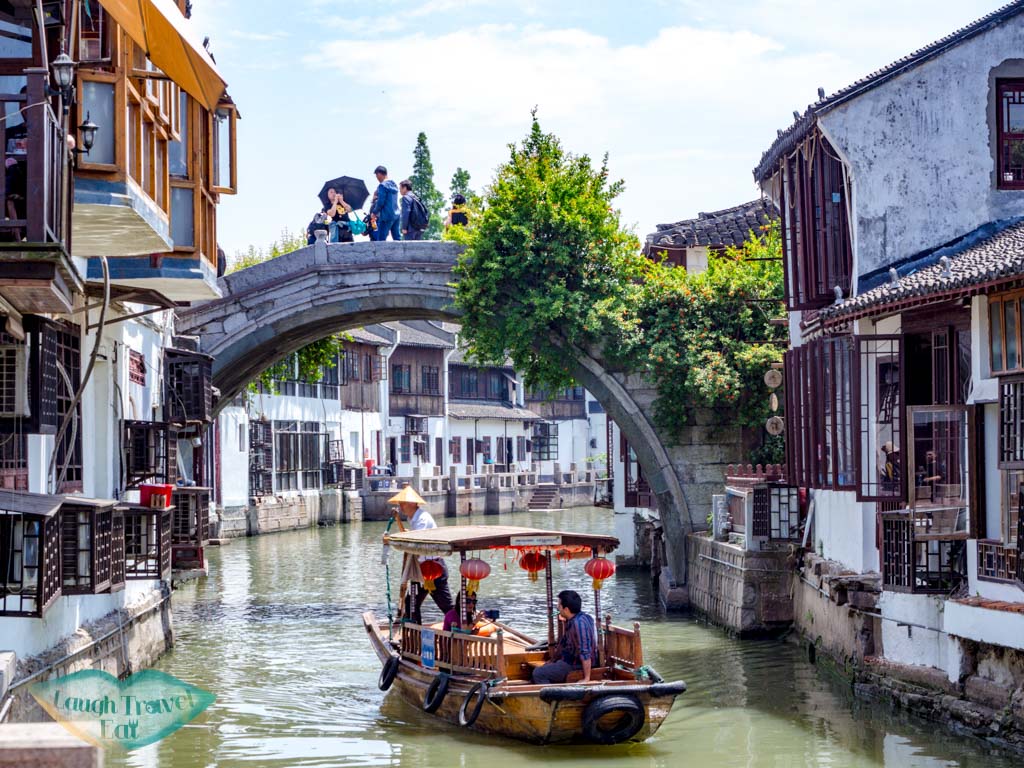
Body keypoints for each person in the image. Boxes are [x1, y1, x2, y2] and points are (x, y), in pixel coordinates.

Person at [392, 485, 453, 620]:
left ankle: (459, 627)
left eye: (403, 503)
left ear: (413, 503)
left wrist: (392, 540)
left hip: (433, 568)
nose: (401, 506)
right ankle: (415, 634)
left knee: (446, 606)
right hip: (420, 570)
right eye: (400, 503)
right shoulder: (413, 518)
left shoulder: (422, 518)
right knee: (411, 603)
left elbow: (416, 541)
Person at [531, 590, 597, 684]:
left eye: (559, 606)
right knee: (542, 669)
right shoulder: (576, 619)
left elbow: (585, 651)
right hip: (568, 659)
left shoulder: (579, 624)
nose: (558, 608)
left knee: (538, 673)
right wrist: (552, 660)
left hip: (576, 664)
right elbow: (563, 643)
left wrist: (586, 678)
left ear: (566, 609)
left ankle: (553, 696)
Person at [369, 165, 401, 242]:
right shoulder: (394, 184)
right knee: (397, 239)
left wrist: (374, 212)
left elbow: (380, 202)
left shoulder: (382, 186)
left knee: (381, 240)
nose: (377, 178)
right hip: (396, 214)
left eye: (376, 176)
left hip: (386, 216)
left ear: (379, 174)